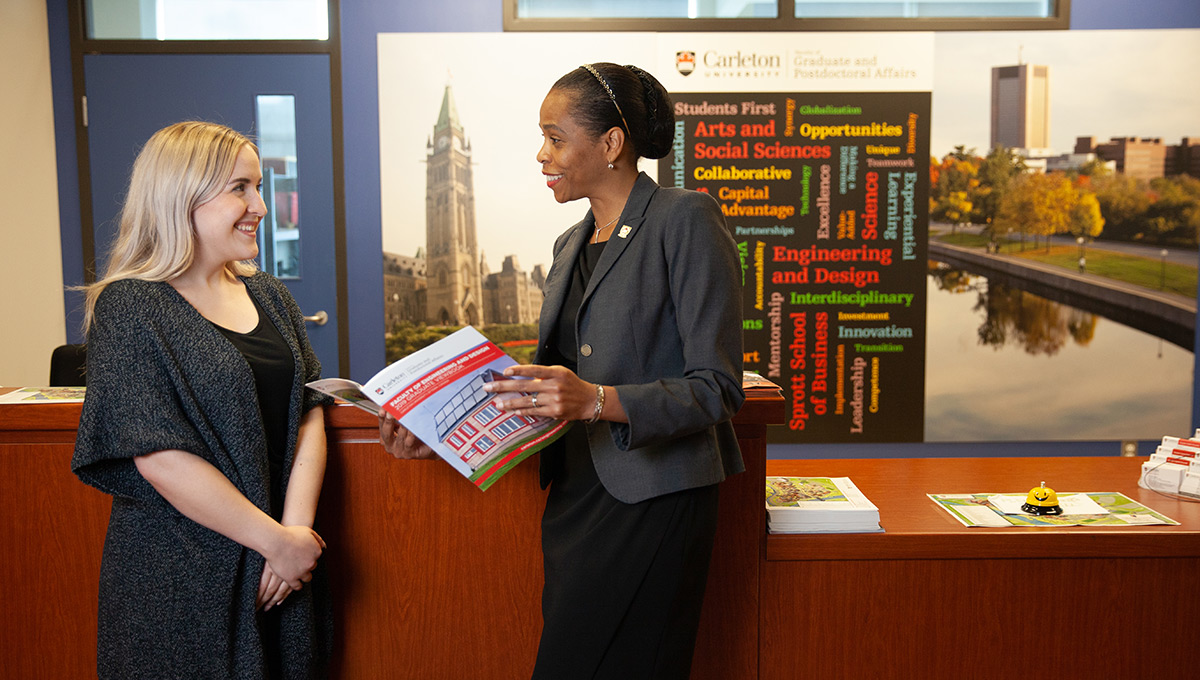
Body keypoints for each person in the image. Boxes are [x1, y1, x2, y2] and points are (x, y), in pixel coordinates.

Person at [381, 62, 745, 679]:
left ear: (610, 144)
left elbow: (717, 390)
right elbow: (549, 391)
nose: (541, 155)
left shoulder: (685, 219)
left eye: (555, 138)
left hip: (653, 499)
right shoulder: (565, 247)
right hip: (577, 497)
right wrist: (439, 428)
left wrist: (598, 401)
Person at [72, 121, 333, 679]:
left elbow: (308, 408)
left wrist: (294, 535)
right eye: (240, 188)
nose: (260, 206)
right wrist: (276, 542)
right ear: (181, 196)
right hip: (181, 580)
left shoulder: (268, 292)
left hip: (281, 574)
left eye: (258, 187)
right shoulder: (131, 307)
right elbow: (159, 456)